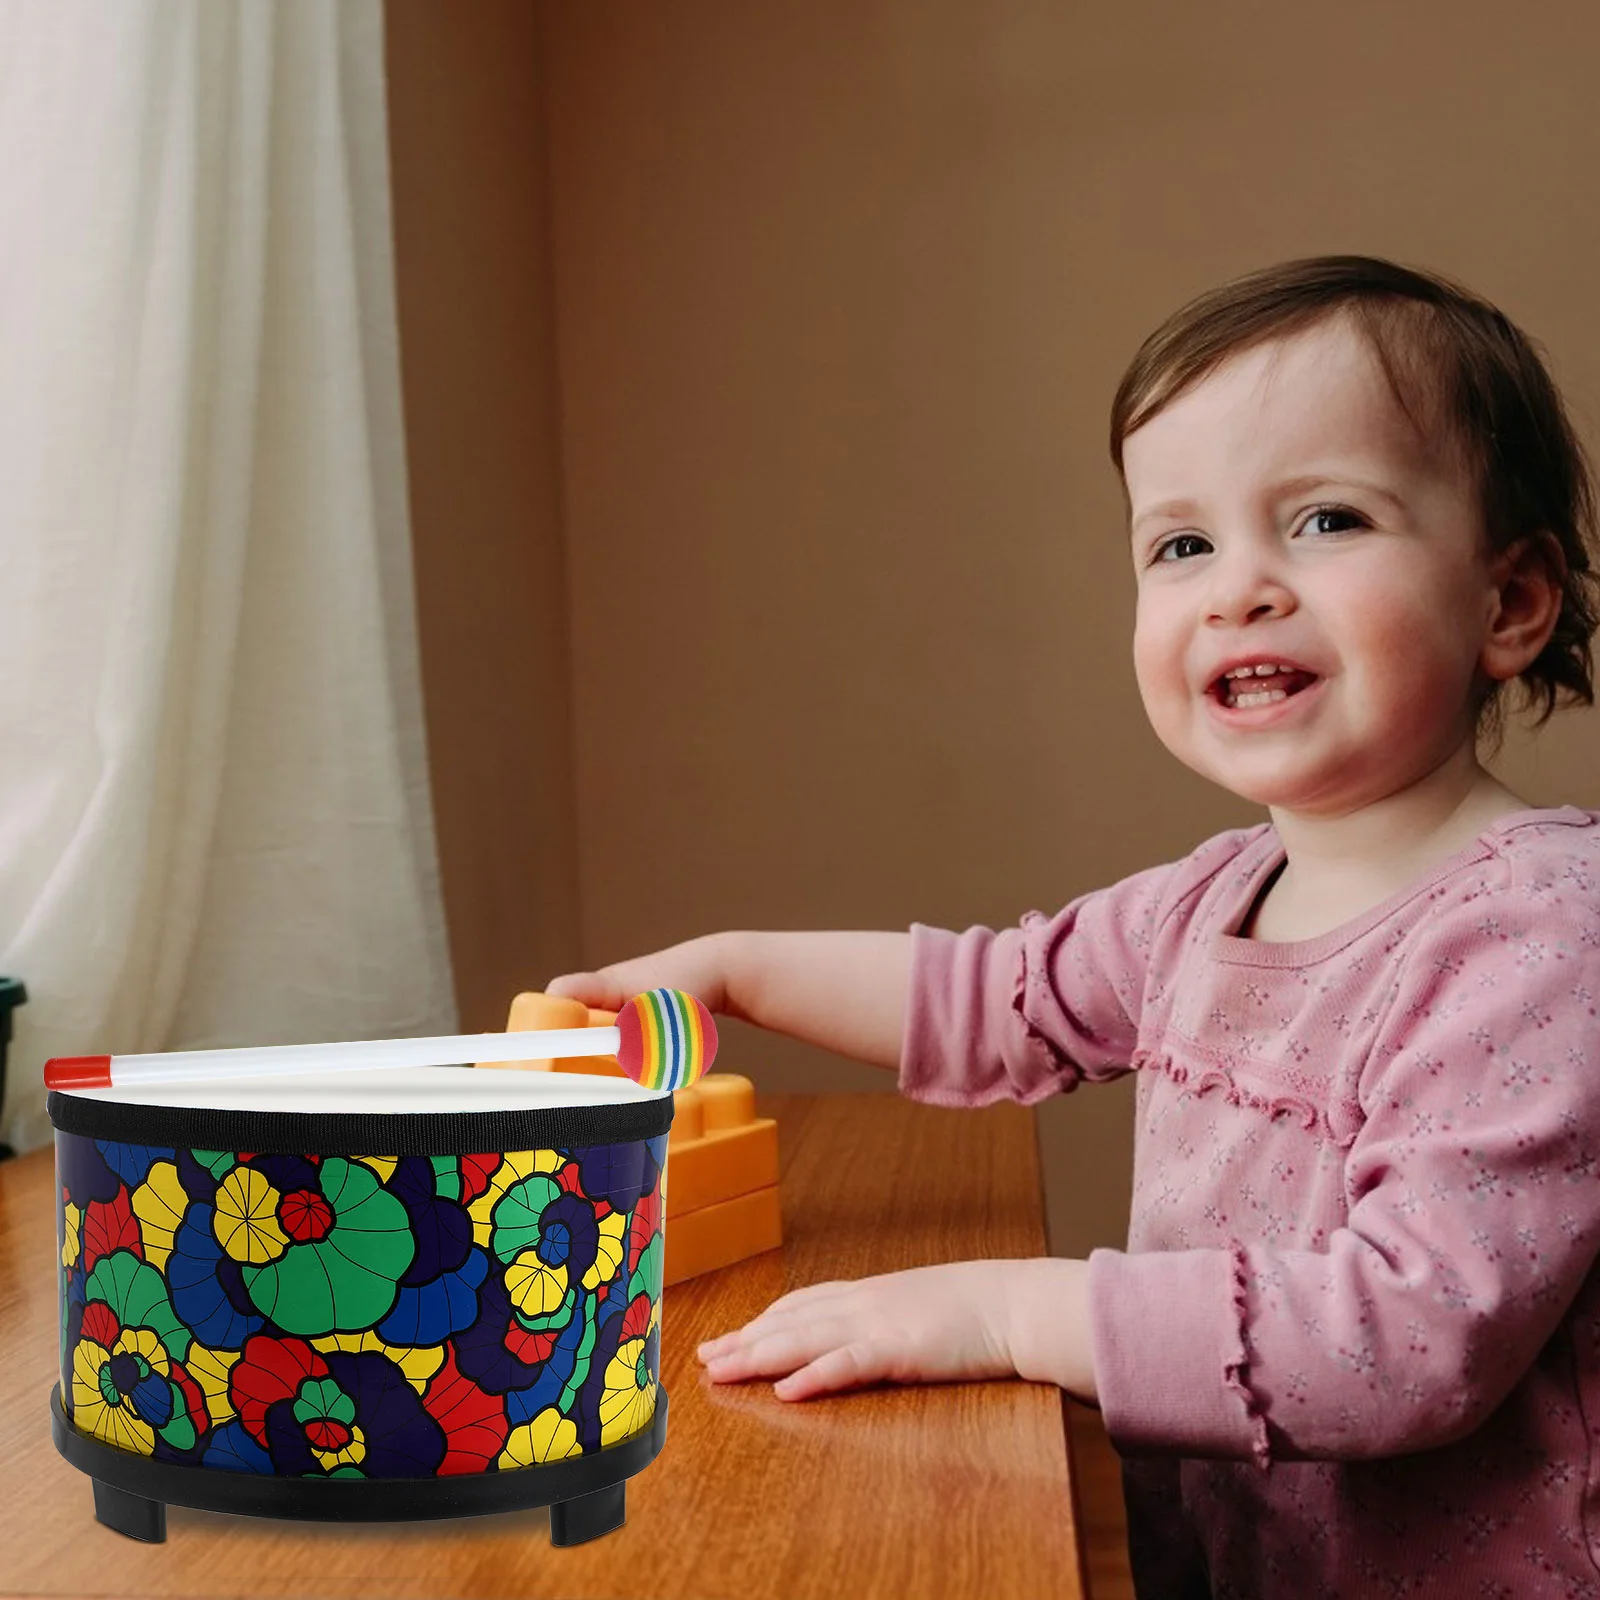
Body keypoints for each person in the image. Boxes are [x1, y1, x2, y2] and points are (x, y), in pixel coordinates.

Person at [548, 256, 1600, 1597]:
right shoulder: (1209, 898)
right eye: (1181, 545)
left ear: (1509, 603)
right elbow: (993, 998)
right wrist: (733, 970)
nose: (1240, 589)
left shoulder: (1539, 937)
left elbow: (1407, 1334)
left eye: (1327, 521)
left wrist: (1000, 1311)